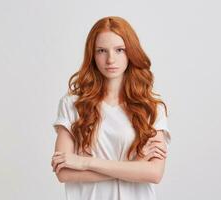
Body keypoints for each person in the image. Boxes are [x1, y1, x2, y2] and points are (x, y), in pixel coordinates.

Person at [51, 16, 171, 200]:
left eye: (119, 50)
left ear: (131, 52)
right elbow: (64, 173)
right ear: (92, 55)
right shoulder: (72, 104)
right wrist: (135, 166)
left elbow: (154, 173)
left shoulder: (151, 108)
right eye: (101, 51)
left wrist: (84, 162)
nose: (110, 59)